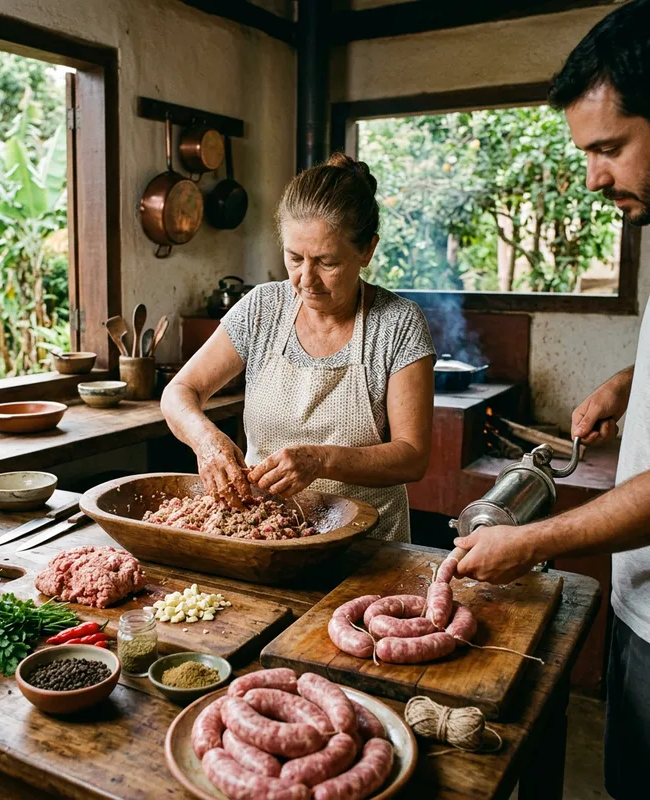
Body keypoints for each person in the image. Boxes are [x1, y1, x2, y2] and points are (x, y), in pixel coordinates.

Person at [451, 2, 650, 796]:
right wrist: (630, 383)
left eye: (610, 147)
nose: (596, 177)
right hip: (639, 600)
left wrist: (530, 544)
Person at [161, 152, 436, 541]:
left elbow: (412, 456)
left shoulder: (397, 323)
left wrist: (320, 459)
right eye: (294, 258)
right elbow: (178, 393)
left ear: (366, 251)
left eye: (326, 262)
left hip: (368, 547)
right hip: (267, 536)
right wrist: (205, 440)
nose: (306, 279)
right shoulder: (262, 308)